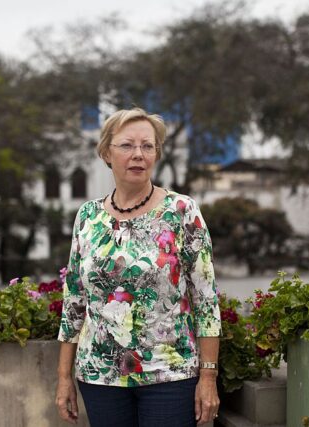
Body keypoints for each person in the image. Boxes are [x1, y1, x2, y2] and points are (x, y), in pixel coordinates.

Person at [55, 107, 222, 427]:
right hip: (100, 377)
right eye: (127, 145)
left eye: (147, 146)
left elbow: (206, 301)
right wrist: (64, 377)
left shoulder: (182, 211)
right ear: (106, 152)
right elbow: (74, 303)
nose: (138, 154)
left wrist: (208, 377)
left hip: (169, 377)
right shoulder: (87, 217)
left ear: (157, 154)